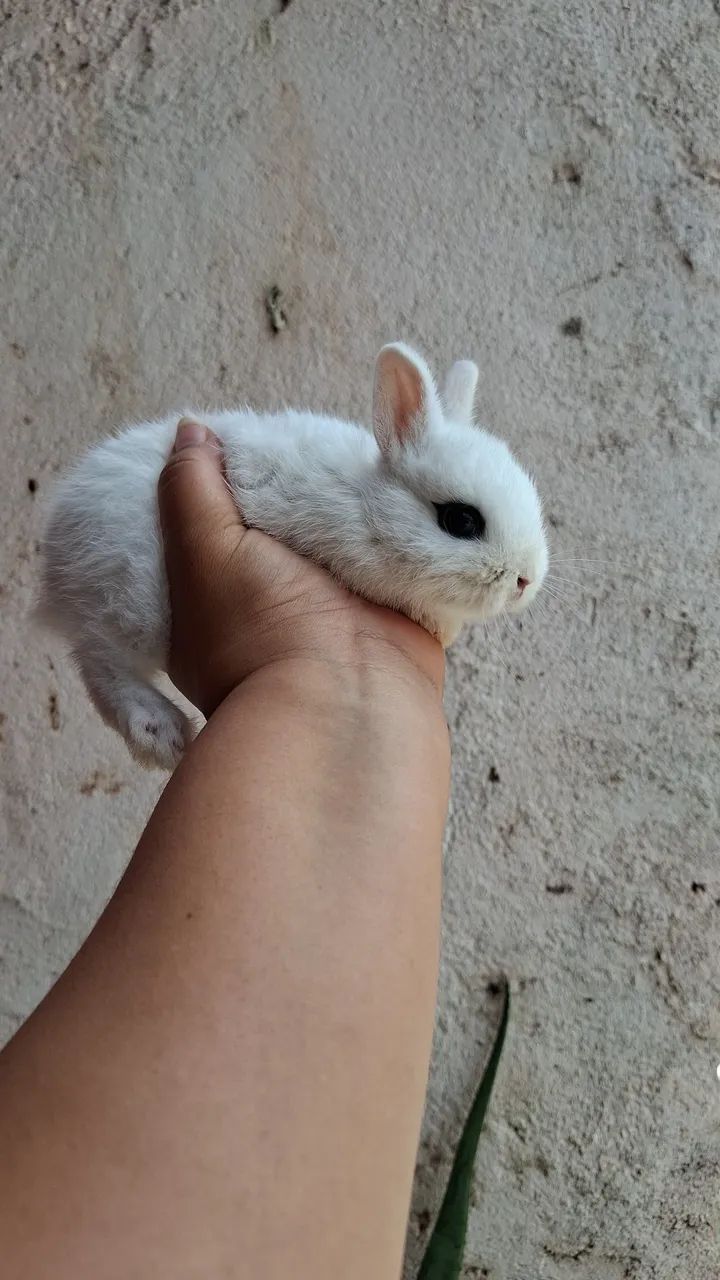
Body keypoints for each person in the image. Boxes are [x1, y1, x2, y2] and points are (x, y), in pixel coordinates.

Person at [0, 420, 451, 1279]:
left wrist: (326, 667)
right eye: (459, 523)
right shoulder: (349, 498)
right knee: (134, 604)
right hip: (137, 538)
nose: (523, 579)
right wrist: (327, 668)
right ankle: (112, 662)